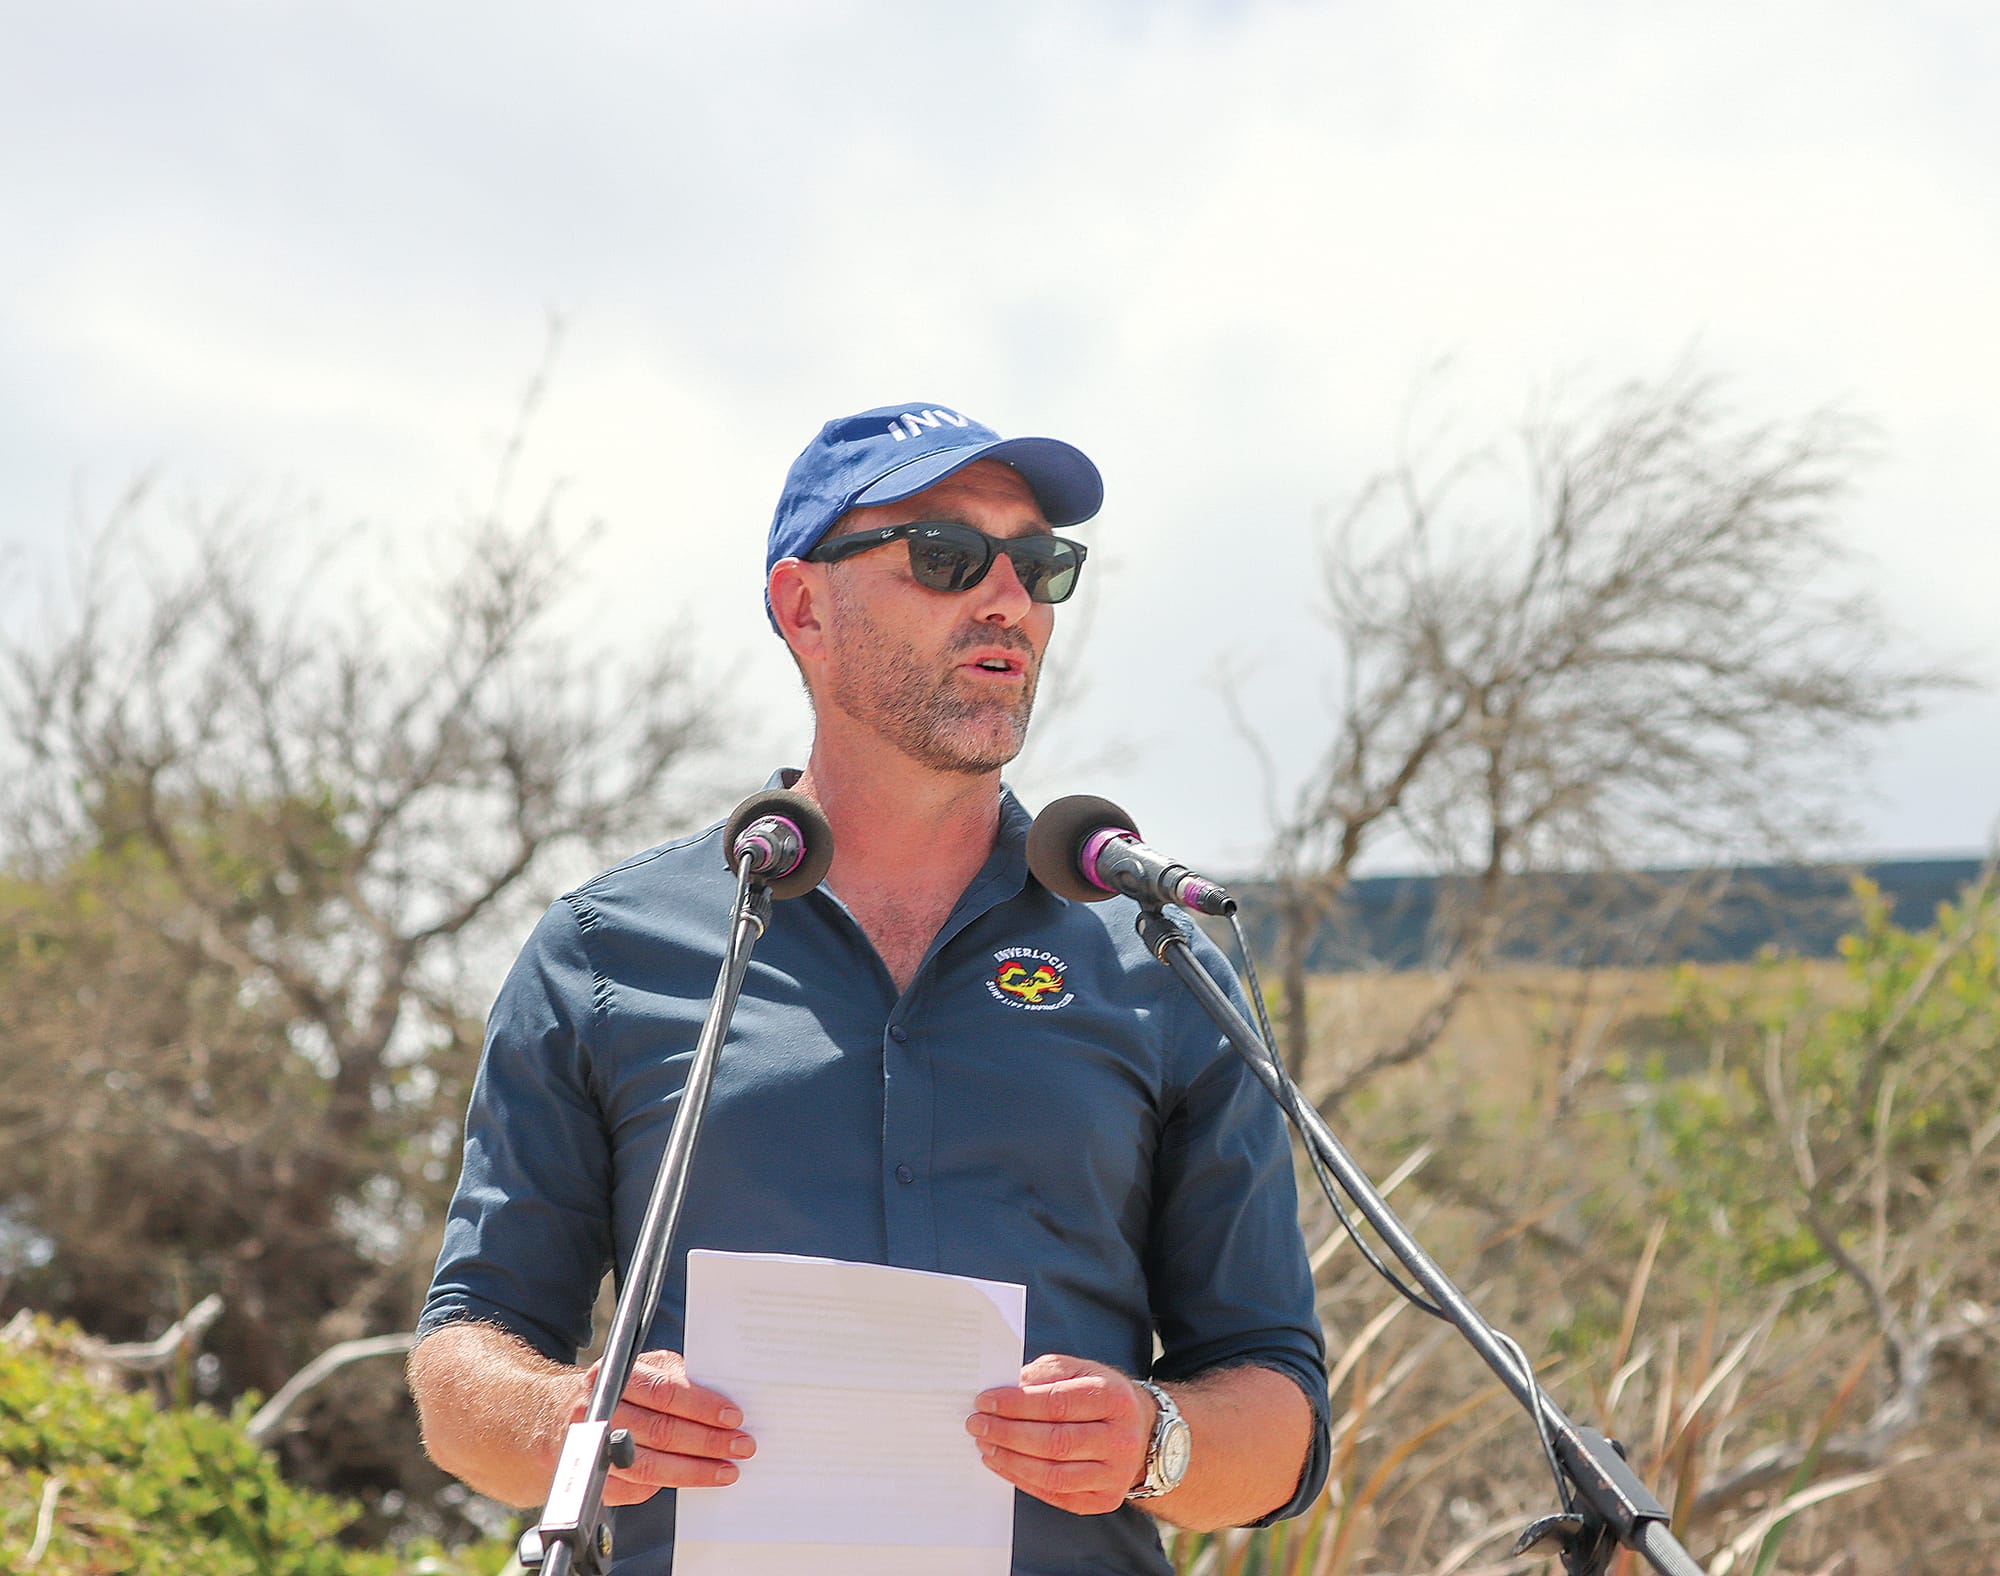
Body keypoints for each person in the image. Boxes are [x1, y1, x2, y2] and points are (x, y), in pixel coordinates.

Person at [408, 403, 1331, 1573]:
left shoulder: (1153, 958)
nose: (1008, 600)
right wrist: (566, 1421)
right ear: (804, 607)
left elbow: (1278, 1414)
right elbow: (462, 1365)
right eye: (946, 556)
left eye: (1039, 564)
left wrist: (1157, 1440)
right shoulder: (604, 951)